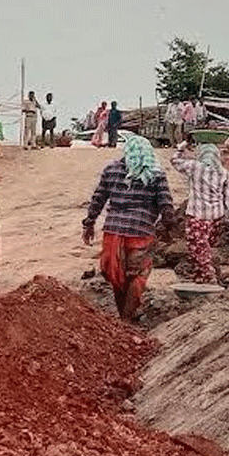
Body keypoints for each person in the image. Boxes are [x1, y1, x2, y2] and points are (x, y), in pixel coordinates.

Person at [81, 136, 176, 322]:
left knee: (117, 276)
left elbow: (98, 199)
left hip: (113, 232)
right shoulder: (156, 173)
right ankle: (126, 320)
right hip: (140, 233)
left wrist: (89, 223)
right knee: (137, 275)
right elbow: (166, 205)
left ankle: (122, 318)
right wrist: (169, 228)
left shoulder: (111, 169)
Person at [171, 141, 229, 283]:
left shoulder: (195, 167)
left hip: (197, 215)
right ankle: (201, 277)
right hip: (216, 216)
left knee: (198, 248)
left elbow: (174, 161)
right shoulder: (224, 173)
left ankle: (208, 275)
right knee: (206, 247)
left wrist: (181, 148)